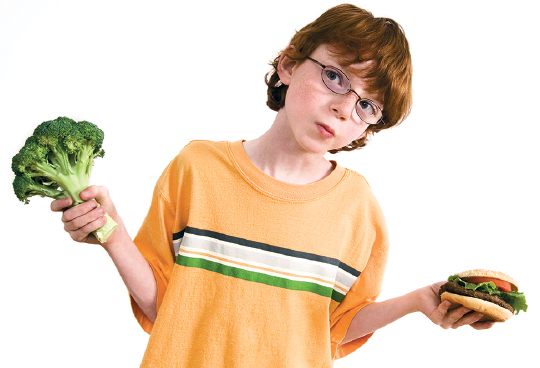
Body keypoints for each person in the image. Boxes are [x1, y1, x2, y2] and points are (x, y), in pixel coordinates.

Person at [51, 4, 494, 367]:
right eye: (335, 76)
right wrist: (111, 233)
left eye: (366, 106)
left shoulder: (357, 209)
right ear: (288, 64)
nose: (343, 109)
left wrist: (417, 301)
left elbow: (334, 329)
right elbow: (164, 308)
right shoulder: (198, 168)